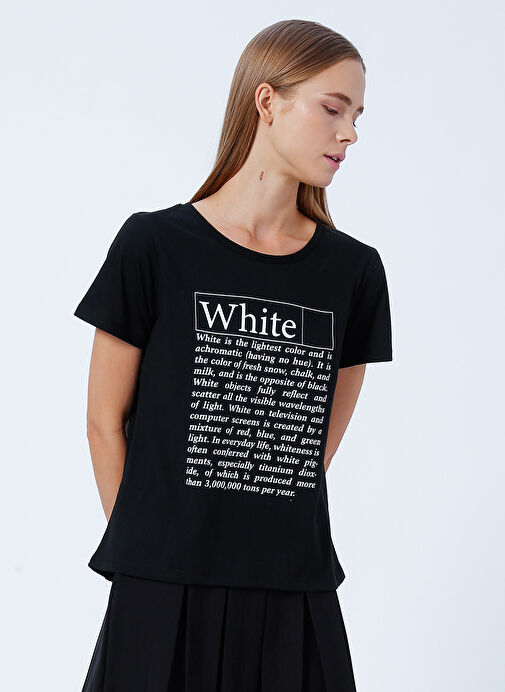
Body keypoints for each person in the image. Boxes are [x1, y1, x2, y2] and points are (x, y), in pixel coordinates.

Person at [74, 18, 393, 692]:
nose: (350, 134)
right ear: (267, 101)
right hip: (160, 585)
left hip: (291, 587)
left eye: (357, 116)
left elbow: (308, 452)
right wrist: (150, 552)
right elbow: (104, 421)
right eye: (333, 109)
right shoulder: (154, 245)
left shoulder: (353, 273)